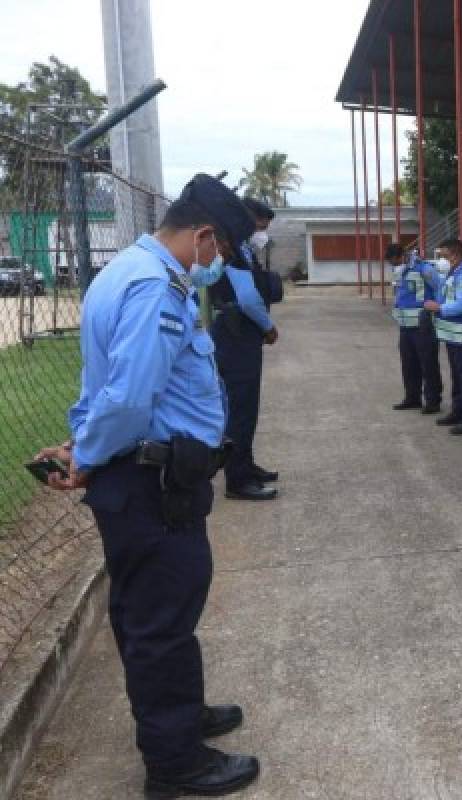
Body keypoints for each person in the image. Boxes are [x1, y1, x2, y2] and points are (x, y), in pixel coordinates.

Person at [36, 174, 260, 797]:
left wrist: (84, 445)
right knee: (161, 622)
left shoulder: (123, 270)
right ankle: (175, 763)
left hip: (140, 475)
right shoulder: (156, 289)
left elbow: (102, 383)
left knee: (152, 613)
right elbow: (131, 398)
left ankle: (179, 719)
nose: (217, 265)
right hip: (150, 481)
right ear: (204, 235)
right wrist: (89, 456)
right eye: (220, 252)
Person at [209, 197, 280, 502]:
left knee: (247, 406)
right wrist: (268, 326)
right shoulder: (233, 251)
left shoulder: (240, 248)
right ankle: (238, 480)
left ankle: (246, 465)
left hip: (238, 333)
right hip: (236, 334)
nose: (260, 233)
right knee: (240, 407)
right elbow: (248, 298)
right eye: (259, 226)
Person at [424, 238, 462, 435]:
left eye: (444, 255)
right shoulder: (452, 273)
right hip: (454, 336)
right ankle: (458, 412)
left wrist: (439, 307)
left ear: (456, 254)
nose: (442, 259)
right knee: (458, 376)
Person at [389, 243, 443, 414]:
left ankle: (433, 401)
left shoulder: (425, 269)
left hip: (423, 324)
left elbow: (440, 289)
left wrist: (438, 311)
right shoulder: (400, 271)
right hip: (405, 326)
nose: (394, 265)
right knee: (408, 364)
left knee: (428, 364)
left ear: (403, 255)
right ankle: (412, 397)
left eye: (395, 261)